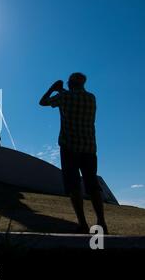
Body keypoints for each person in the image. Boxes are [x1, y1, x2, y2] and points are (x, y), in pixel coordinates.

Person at [39, 73, 108, 234]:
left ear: (70, 83)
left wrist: (53, 88)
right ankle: (101, 223)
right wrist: (62, 90)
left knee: (74, 185)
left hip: (69, 147)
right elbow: (72, 97)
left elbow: (42, 102)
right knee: (93, 185)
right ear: (83, 83)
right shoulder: (91, 98)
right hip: (89, 147)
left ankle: (83, 223)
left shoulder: (64, 97)